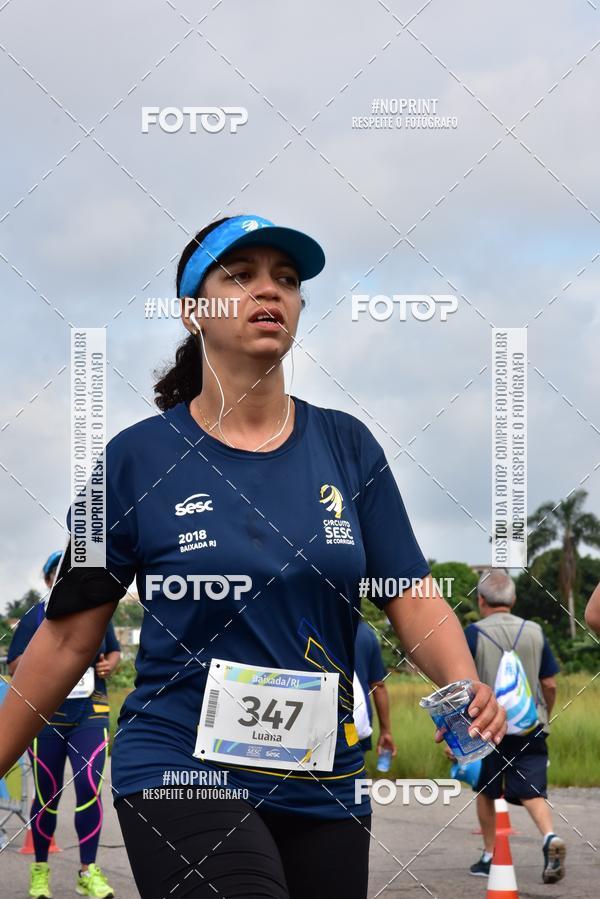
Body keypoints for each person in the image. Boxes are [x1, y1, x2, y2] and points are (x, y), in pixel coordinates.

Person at [0, 214, 507, 899]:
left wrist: (463, 682)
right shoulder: (128, 461)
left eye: (287, 279)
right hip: (179, 765)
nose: (270, 290)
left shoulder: (348, 446)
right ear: (192, 312)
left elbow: (411, 594)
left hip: (324, 779)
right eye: (240, 276)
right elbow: (65, 637)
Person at [6, 551, 121, 899]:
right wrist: (53, 654)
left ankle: (88, 871)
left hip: (90, 712)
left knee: (89, 788)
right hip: (45, 717)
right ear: (47, 580)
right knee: (46, 796)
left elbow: (114, 651)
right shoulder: (35, 616)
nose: (64, 575)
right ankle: (40, 870)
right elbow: (14, 666)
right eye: (57, 572)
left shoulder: (97, 609)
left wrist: (110, 663)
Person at [463, 569, 565, 884]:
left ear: (481, 600)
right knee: (533, 790)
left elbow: (462, 686)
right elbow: (549, 683)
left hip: (487, 728)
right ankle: (549, 837)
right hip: (530, 726)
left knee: (486, 790)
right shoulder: (535, 631)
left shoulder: (473, 633)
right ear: (514, 598)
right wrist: (545, 713)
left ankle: (490, 856)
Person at [354, 620, 395, 760]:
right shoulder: (367, 634)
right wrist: (385, 731)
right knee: (352, 769)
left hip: (316, 720)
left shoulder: (317, 625)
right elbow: (378, 686)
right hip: (358, 721)